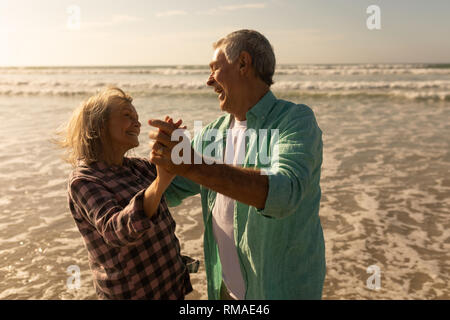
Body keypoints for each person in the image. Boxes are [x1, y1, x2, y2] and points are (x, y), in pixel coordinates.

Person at [148, 29, 326, 300]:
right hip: (224, 292)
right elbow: (168, 191)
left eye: (214, 68)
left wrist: (191, 164)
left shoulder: (295, 120)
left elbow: (285, 193)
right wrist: (160, 158)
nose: (209, 81)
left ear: (243, 64)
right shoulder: (212, 134)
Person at [57, 87, 193, 299]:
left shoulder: (138, 167)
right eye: (127, 116)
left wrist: (175, 148)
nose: (137, 123)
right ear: (98, 126)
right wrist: (160, 181)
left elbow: (183, 179)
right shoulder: (83, 180)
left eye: (137, 117)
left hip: (170, 286)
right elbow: (115, 231)